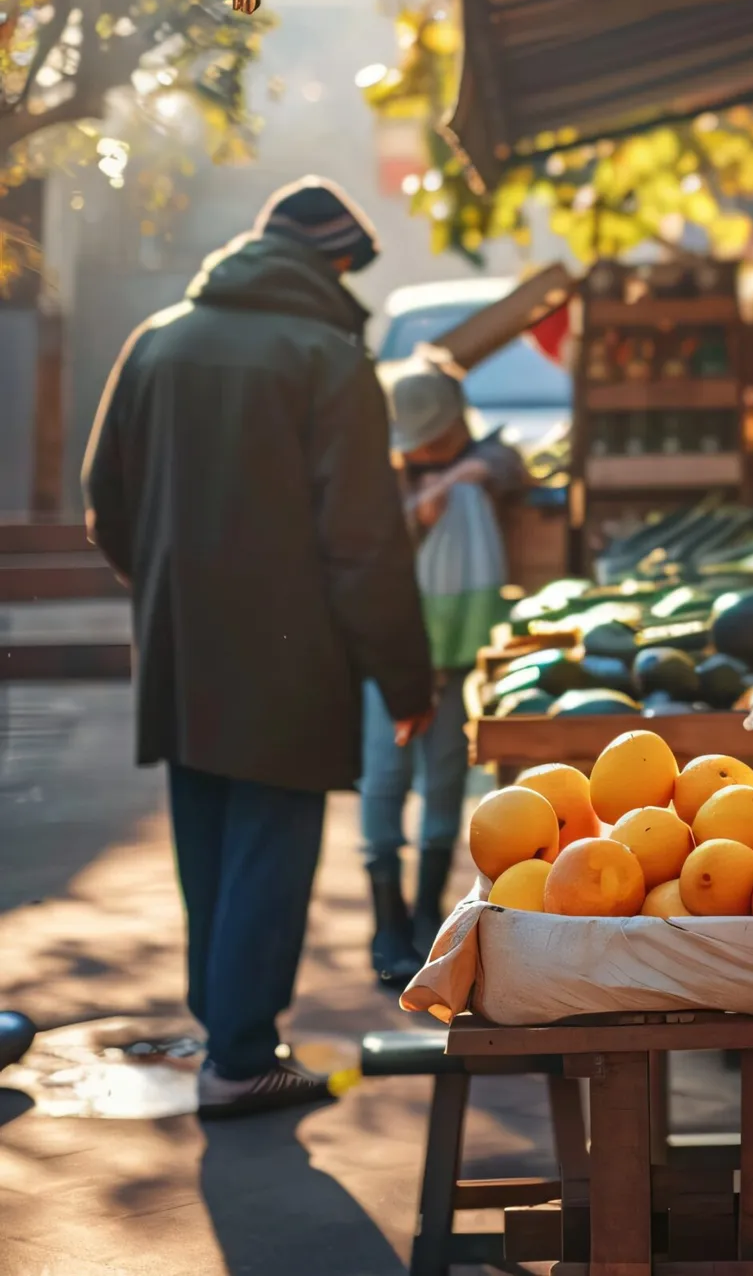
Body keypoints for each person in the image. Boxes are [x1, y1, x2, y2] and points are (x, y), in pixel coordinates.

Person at [83, 177, 433, 1120]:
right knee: (271, 851)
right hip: (290, 656)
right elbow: (363, 543)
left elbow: (101, 502)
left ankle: (230, 1037)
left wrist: (168, 591)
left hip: (182, 650)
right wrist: (407, 678)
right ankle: (239, 1059)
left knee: (208, 846)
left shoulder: (156, 341)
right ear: (331, 265)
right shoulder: (326, 358)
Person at [364, 352, 526, 985]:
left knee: (444, 782)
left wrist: (467, 472)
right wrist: (420, 505)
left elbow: (510, 464)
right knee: (384, 777)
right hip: (389, 653)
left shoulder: (481, 465)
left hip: (460, 656)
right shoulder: (377, 479)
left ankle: (428, 911)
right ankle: (386, 920)